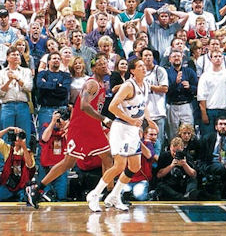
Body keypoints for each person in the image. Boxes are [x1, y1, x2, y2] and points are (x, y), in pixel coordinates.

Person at [25, 54, 114, 209]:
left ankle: (110, 194)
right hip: (81, 128)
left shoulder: (102, 84)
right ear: (93, 68)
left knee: (107, 158)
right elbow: (84, 106)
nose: (104, 65)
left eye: (106, 62)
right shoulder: (92, 83)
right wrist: (104, 119)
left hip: (92, 127)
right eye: (100, 63)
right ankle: (37, 190)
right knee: (68, 162)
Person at [86, 58, 158, 212]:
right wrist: (130, 120)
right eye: (140, 66)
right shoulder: (128, 86)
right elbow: (112, 107)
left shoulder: (145, 85)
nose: (144, 68)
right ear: (132, 71)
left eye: (144, 66)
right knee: (119, 166)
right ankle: (95, 194)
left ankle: (114, 195)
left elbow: (143, 105)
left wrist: (149, 120)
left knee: (135, 166)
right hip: (121, 129)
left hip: (133, 130)